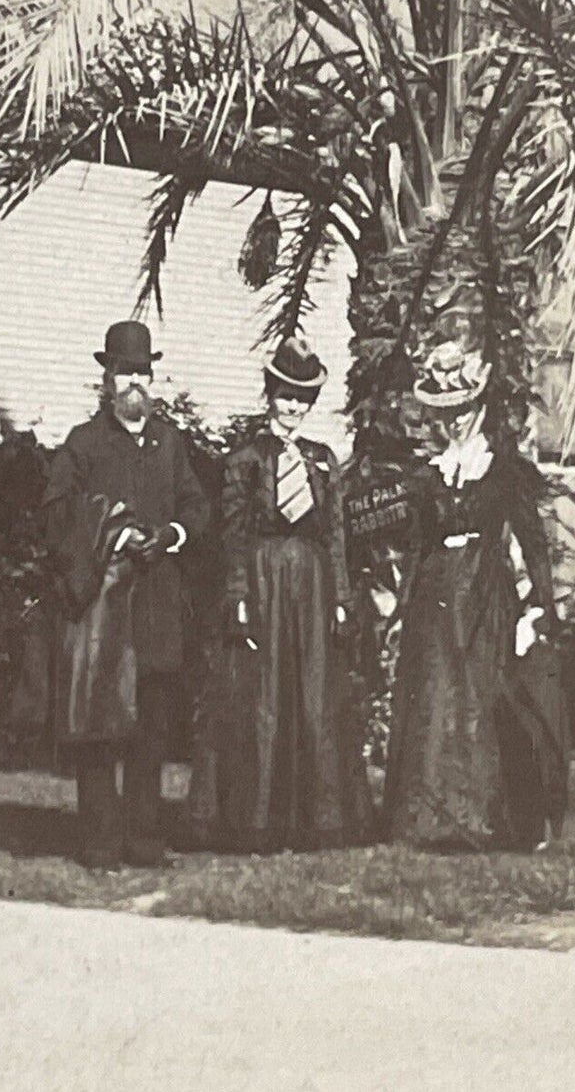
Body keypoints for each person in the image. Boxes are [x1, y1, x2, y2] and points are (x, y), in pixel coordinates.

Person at [382, 341, 569, 850]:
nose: (455, 422)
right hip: (436, 600)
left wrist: (538, 610)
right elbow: (417, 547)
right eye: (445, 412)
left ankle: (490, 818)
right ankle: (431, 819)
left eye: (463, 409)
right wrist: (400, 610)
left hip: (488, 596)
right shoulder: (428, 475)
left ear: (479, 405)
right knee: (437, 697)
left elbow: (534, 545)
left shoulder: (505, 470)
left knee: (487, 699)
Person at [188, 336, 372, 850]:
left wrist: (339, 598)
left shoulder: (322, 460)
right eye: (285, 396)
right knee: (263, 696)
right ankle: (258, 816)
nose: (292, 408)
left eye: (302, 399)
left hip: (310, 589)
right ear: (270, 395)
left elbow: (335, 534)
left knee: (313, 692)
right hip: (265, 584)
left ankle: (318, 816)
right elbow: (234, 536)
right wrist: (239, 596)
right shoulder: (245, 459)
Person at [43, 320, 210, 870]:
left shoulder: (169, 443)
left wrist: (170, 536)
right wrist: (110, 534)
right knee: (99, 729)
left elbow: (196, 507)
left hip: (158, 602)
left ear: (152, 377)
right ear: (107, 377)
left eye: (142, 371)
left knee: (152, 728)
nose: (133, 382)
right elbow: (55, 514)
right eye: (123, 372)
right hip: (103, 610)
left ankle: (142, 837)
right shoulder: (84, 444)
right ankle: (99, 841)